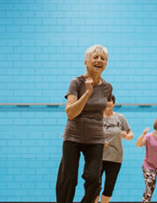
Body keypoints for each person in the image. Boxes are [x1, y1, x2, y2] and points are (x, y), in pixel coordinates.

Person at [56, 45, 114, 203]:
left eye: (103, 58)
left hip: (95, 139)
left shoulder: (107, 87)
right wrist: (87, 93)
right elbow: (70, 112)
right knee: (68, 180)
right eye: (95, 57)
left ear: (106, 64)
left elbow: (99, 113)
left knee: (94, 180)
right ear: (86, 61)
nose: (99, 61)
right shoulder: (77, 83)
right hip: (73, 137)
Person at [95, 95, 134, 203]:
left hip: (115, 157)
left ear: (114, 103)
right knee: (94, 186)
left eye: (110, 101)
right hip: (98, 157)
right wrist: (99, 141)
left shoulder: (120, 117)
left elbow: (131, 134)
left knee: (109, 186)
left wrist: (126, 136)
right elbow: (90, 135)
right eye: (105, 101)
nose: (108, 103)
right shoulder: (97, 118)